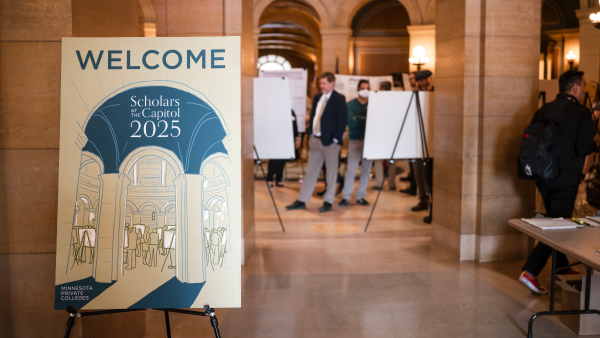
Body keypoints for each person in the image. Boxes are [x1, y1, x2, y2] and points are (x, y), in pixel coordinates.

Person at [519, 70, 597, 294]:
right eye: (583, 86)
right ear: (575, 88)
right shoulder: (581, 113)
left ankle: (561, 267)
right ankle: (531, 271)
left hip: (542, 176)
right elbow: (583, 148)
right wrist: (594, 142)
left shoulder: (544, 109)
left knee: (556, 220)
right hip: (565, 179)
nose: (583, 90)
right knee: (559, 228)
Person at [286, 72, 348, 212]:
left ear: (332, 83)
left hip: (330, 143)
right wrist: (310, 135)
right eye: (320, 83)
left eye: (324, 83)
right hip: (315, 140)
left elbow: (342, 121)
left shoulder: (339, 99)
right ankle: (302, 200)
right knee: (310, 172)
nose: (321, 86)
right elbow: (314, 116)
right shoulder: (317, 97)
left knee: (331, 173)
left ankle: (328, 201)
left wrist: (335, 139)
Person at [340, 79, 373, 206]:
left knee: (366, 170)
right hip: (355, 140)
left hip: (369, 142)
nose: (365, 90)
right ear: (358, 89)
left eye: (367, 88)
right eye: (362, 88)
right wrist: (365, 119)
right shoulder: (350, 104)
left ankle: (361, 196)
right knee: (351, 169)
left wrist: (358, 117)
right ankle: (346, 196)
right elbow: (350, 122)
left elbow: (372, 122)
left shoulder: (372, 104)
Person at [373, 81, 398, 190]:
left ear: (382, 88)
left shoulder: (377, 100)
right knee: (391, 160)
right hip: (391, 134)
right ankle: (392, 184)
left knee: (378, 160)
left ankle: (379, 184)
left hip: (380, 133)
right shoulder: (395, 100)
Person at [266, 110, 300, 187]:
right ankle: (269, 179)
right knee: (274, 160)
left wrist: (296, 138)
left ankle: (279, 179)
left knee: (282, 161)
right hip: (276, 139)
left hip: (287, 139)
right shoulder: (275, 110)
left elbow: (294, 126)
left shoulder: (291, 111)